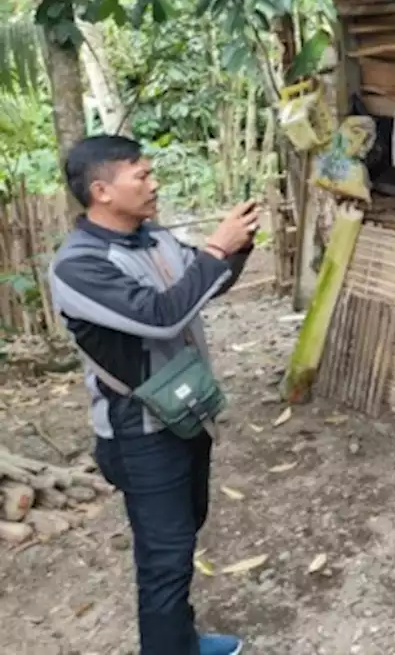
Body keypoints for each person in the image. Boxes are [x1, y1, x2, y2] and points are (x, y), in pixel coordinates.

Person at [49, 135, 259, 655]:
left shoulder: (153, 238)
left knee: (184, 535)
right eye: (140, 176)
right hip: (138, 431)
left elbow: (204, 285)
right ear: (102, 190)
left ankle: (181, 640)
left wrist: (239, 245)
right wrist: (215, 248)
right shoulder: (78, 266)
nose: (153, 183)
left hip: (187, 413)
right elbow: (161, 316)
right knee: (164, 558)